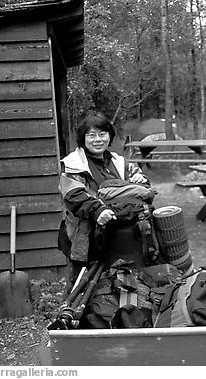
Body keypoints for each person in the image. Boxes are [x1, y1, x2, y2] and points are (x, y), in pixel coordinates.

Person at [57, 111, 149, 286]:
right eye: (91, 135)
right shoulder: (73, 164)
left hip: (120, 236)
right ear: (83, 138)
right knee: (85, 285)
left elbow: (143, 186)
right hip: (87, 236)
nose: (97, 140)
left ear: (110, 136)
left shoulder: (119, 161)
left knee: (119, 283)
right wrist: (98, 210)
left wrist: (140, 181)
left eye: (102, 134)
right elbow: (73, 195)